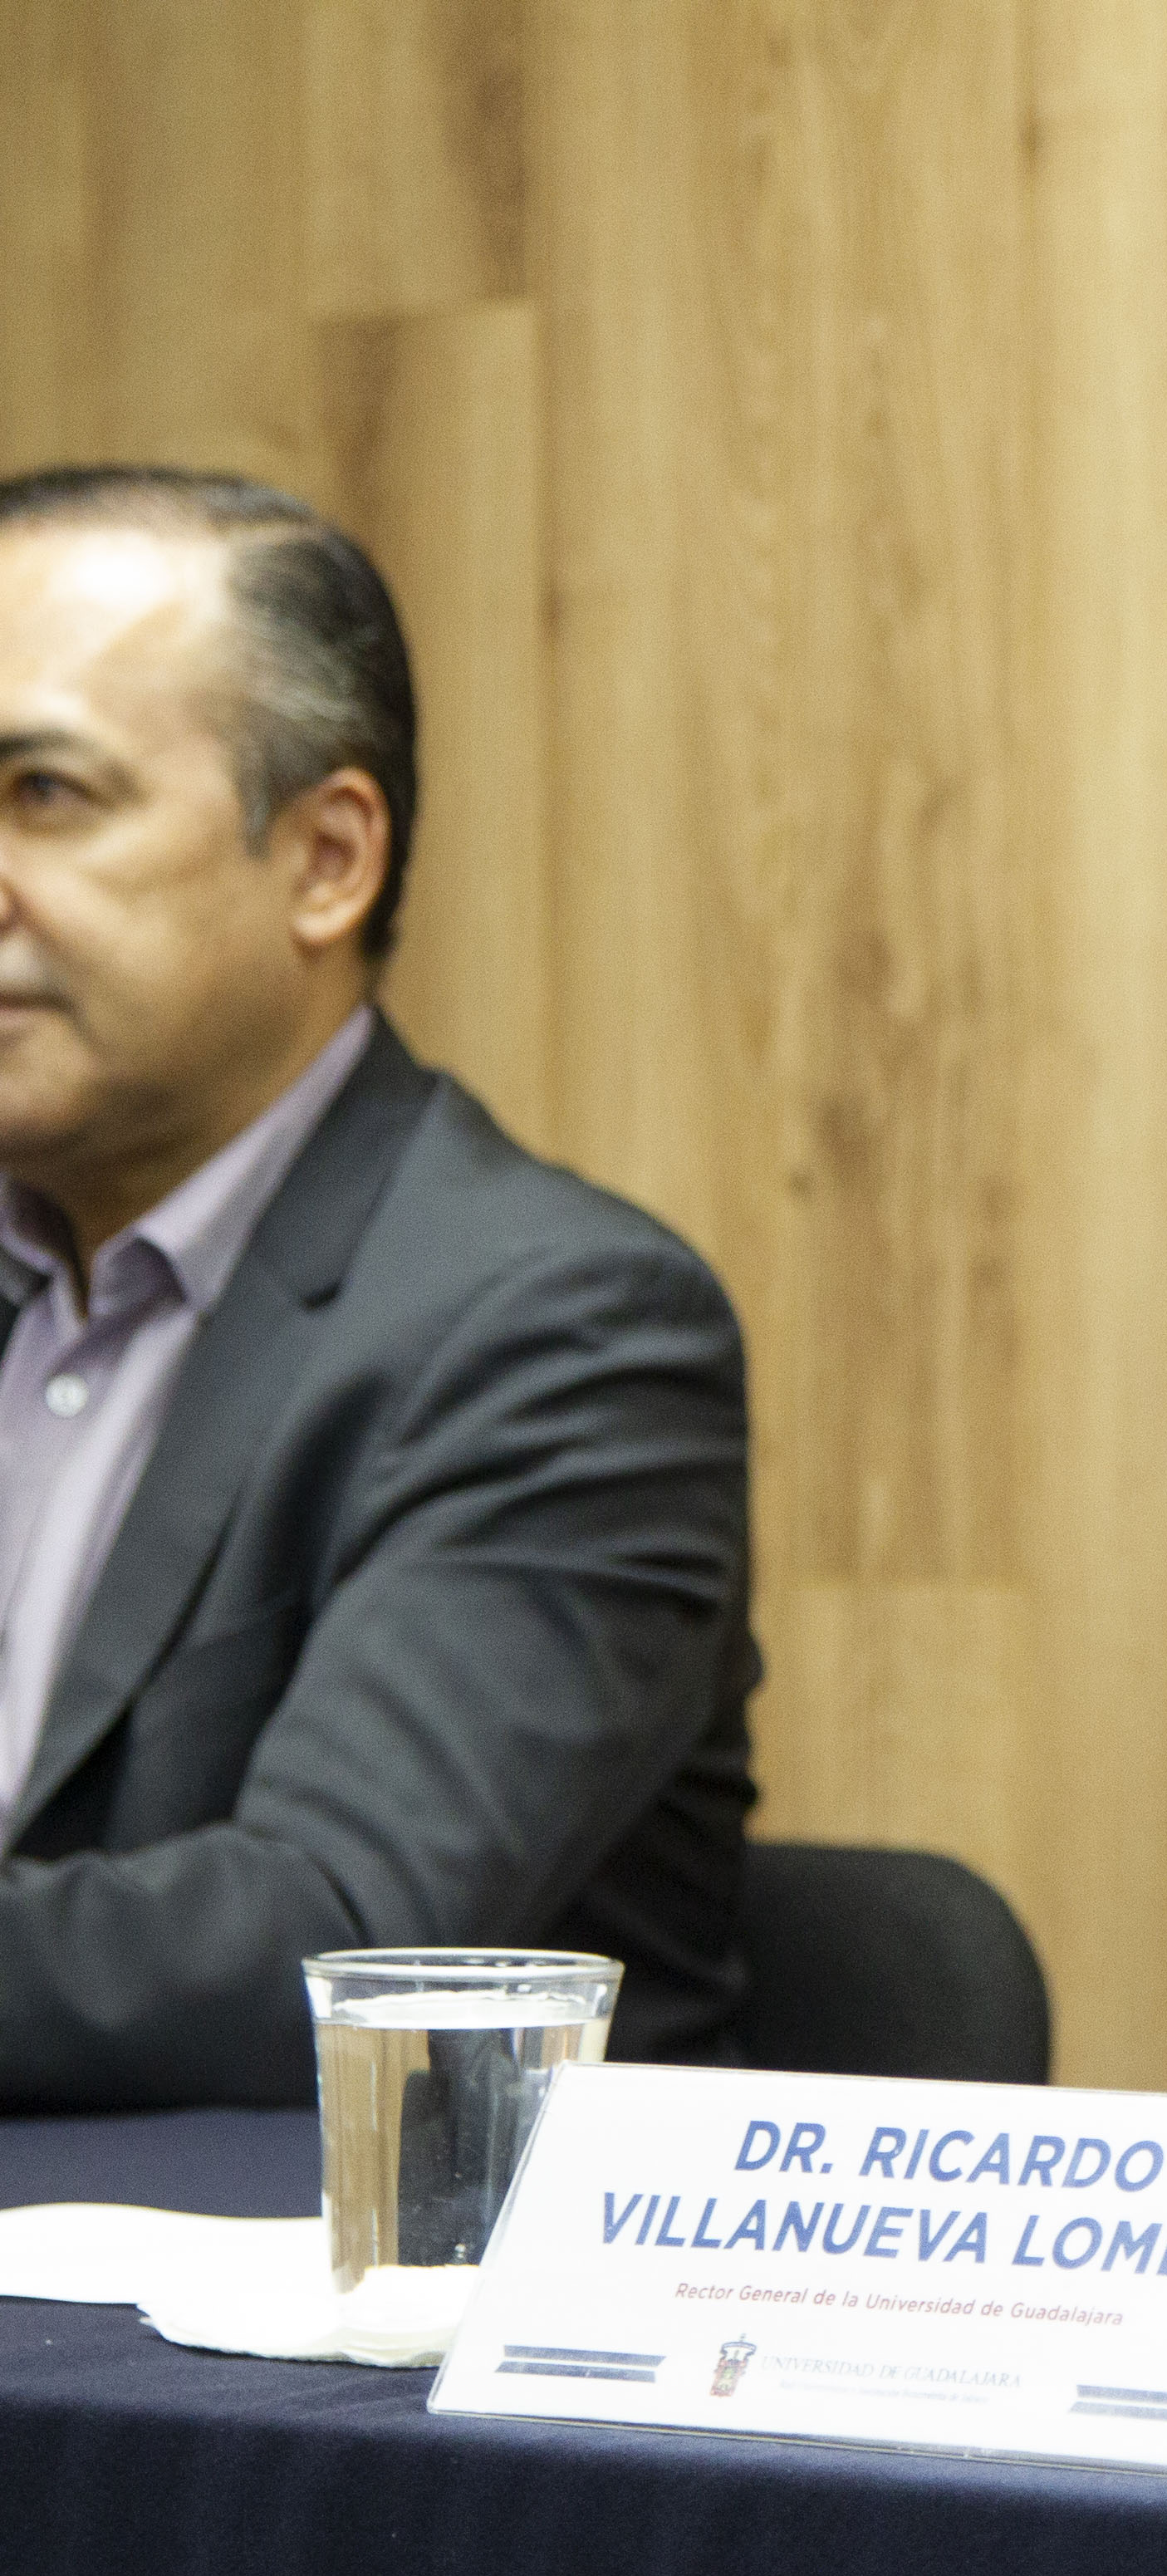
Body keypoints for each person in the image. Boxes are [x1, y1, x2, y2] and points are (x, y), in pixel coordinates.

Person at [0, 466, 754, 2102]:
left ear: (328, 858)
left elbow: (345, 1944)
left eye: (45, 794)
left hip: (346, 2326)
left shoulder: (560, 1328)